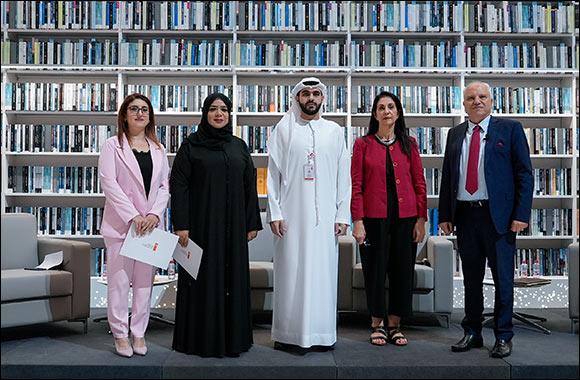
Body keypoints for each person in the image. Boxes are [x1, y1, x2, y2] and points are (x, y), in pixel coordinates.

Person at [438, 82, 533, 358]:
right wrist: (445, 214)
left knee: (503, 279)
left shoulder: (510, 129)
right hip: (466, 215)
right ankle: (472, 332)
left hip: (499, 217)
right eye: (470, 98)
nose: (476, 101)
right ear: (463, 104)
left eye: (482, 97)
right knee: (471, 279)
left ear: (491, 101)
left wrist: (521, 215)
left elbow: (524, 175)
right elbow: (448, 176)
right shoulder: (455, 134)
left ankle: (503, 335)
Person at [170, 93, 262, 358]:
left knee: (232, 279)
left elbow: (249, 184)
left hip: (233, 228)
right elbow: (179, 185)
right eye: (213, 109)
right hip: (200, 227)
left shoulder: (239, 146)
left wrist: (251, 222)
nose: (219, 114)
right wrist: (182, 224)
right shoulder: (191, 146)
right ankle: (199, 340)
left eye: (224, 109)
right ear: (205, 113)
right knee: (200, 280)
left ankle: (234, 340)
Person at [267, 77, 351, 351]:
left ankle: (322, 335)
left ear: (323, 99)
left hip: (326, 218)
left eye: (316, 93)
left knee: (323, 275)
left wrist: (342, 214)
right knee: (291, 272)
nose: (311, 98)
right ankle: (288, 334)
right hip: (291, 218)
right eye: (305, 94)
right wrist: (275, 213)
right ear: (297, 98)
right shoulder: (284, 128)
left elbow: (343, 176)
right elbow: (273, 175)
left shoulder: (334, 131)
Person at [351, 91, 427, 347]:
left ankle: (394, 324)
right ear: (375, 114)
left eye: (391, 107)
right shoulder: (362, 145)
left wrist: (421, 219)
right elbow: (356, 185)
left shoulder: (410, 144)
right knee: (374, 272)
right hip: (373, 219)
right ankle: (377, 323)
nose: (386, 111)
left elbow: (419, 183)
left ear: (398, 113)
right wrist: (357, 220)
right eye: (381, 107)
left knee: (402, 271)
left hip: (406, 219)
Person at [98, 93, 170, 357]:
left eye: (144, 109)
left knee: (144, 283)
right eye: (134, 109)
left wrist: (153, 215)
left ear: (150, 116)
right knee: (119, 283)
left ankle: (138, 332)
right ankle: (120, 334)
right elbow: (110, 184)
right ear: (125, 115)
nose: (140, 113)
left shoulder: (159, 149)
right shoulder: (111, 146)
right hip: (121, 227)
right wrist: (133, 216)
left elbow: (164, 186)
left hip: (150, 228)